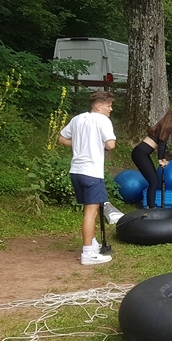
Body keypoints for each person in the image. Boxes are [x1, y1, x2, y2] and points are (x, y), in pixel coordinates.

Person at [58, 91, 117, 266]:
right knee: (91, 212)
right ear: (98, 106)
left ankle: (91, 243)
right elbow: (111, 145)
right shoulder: (102, 120)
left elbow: (62, 138)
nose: (111, 109)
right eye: (108, 105)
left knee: (90, 209)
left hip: (76, 171)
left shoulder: (78, 119)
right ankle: (87, 254)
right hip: (92, 172)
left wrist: (80, 143)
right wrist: (101, 144)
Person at [131, 107, 172, 208]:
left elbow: (162, 144)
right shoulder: (166, 127)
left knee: (154, 180)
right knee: (153, 181)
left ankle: (151, 207)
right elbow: (161, 144)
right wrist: (160, 160)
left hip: (142, 153)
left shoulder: (165, 125)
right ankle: (151, 208)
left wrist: (163, 158)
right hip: (140, 154)